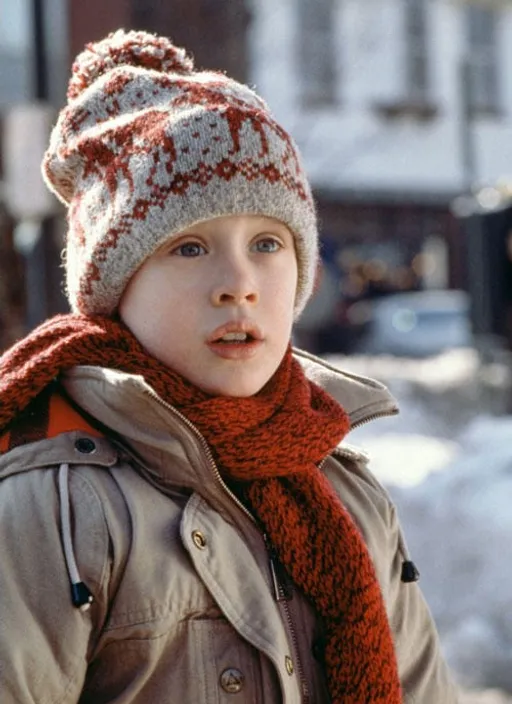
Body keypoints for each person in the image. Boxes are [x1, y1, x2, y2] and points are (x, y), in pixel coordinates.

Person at [0, 30, 458, 704]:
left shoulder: (346, 492)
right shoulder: (58, 504)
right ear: (115, 288)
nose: (239, 283)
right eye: (188, 248)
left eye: (268, 243)